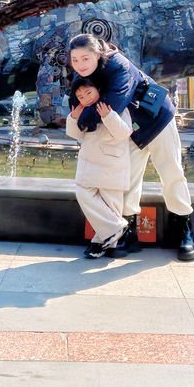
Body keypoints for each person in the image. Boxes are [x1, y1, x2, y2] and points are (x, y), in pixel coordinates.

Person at [68, 33, 194, 260]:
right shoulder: (83, 73)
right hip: (128, 129)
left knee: (171, 171)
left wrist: (84, 117)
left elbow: (112, 105)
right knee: (126, 179)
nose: (80, 64)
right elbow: (76, 105)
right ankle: (129, 233)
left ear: (98, 53)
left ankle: (184, 229)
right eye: (75, 59)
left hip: (157, 119)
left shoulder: (119, 66)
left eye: (85, 58)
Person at [65, 77, 133, 259]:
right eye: (80, 96)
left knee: (111, 205)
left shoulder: (117, 106)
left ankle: (100, 243)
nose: (85, 98)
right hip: (90, 162)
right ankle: (118, 228)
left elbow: (124, 133)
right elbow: (75, 134)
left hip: (112, 164)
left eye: (88, 92)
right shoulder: (85, 111)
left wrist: (108, 116)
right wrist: (73, 118)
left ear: (98, 90)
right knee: (83, 193)